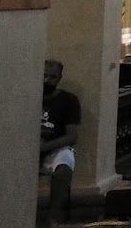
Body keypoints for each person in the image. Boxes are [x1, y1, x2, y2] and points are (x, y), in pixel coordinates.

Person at [41, 59, 80, 221]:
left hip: (54, 148)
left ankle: (54, 216)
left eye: (52, 77)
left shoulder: (69, 100)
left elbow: (72, 136)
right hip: (27, 147)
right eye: (44, 76)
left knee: (65, 165)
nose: (47, 80)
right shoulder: (27, 96)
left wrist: (44, 147)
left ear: (59, 78)